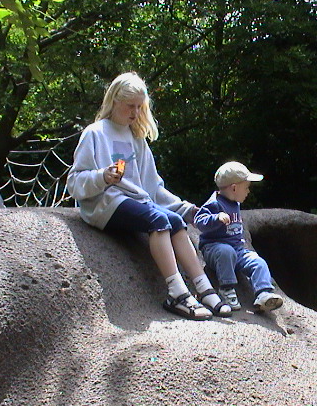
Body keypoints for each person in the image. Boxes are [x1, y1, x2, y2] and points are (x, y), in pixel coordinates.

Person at [67, 72, 230, 320]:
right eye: (130, 106)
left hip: (136, 202)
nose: (135, 113)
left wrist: (186, 209)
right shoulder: (95, 133)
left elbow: (153, 188)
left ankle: (204, 288)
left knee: (176, 221)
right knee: (159, 220)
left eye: (139, 107)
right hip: (105, 204)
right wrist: (102, 176)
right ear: (114, 101)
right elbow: (74, 182)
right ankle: (177, 293)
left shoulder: (136, 138)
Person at [194, 161, 284, 313]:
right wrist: (216, 218)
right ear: (234, 188)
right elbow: (199, 221)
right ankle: (226, 289)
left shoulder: (235, 203)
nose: (248, 191)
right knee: (226, 251)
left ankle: (264, 294)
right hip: (215, 250)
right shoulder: (215, 203)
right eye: (246, 187)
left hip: (237, 250)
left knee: (258, 262)